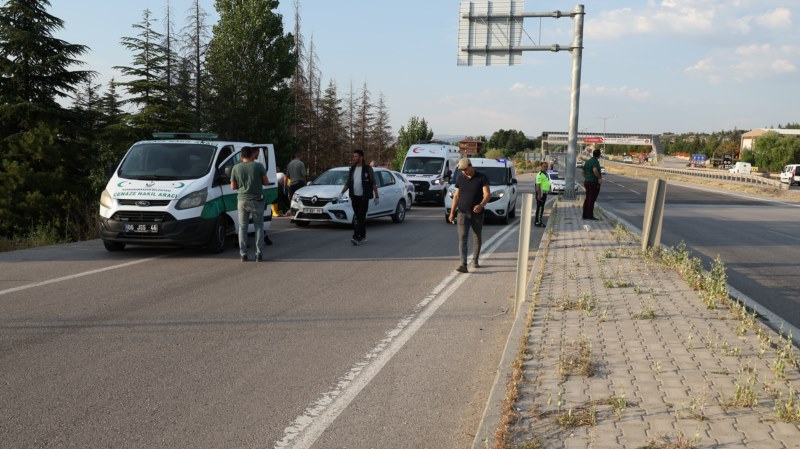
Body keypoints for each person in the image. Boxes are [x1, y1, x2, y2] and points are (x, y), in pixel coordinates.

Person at [447, 158, 490, 273]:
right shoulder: (460, 178)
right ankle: (463, 264)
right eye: (461, 170)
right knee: (462, 238)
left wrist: (481, 205)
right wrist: (452, 212)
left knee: (477, 236)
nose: (464, 172)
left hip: (477, 214)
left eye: (465, 169)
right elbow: (456, 196)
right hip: (462, 213)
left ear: (470, 166)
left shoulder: (482, 177)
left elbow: (487, 195)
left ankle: (475, 260)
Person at [230, 146, 269, 262]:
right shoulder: (258, 166)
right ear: (252, 155)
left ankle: (243, 254)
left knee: (242, 227)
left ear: (241, 156)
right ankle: (259, 254)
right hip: (256, 200)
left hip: (242, 200)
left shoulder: (235, 168)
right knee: (258, 227)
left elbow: (233, 186)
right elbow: (266, 182)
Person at [340, 149, 379, 246]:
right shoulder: (352, 169)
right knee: (359, 217)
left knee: (360, 217)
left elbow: (373, 182)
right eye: (353, 156)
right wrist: (341, 193)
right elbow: (348, 182)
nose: (354, 158)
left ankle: (356, 237)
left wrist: (376, 196)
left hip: (364, 197)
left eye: (356, 156)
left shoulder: (368, 169)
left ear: (361, 157)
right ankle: (363, 235)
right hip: (354, 197)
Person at [583, 148, 603, 220]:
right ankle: (590, 216)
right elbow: (595, 170)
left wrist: (587, 177)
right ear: (599, 155)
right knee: (592, 199)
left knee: (587, 198)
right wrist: (599, 177)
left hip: (587, 182)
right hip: (593, 183)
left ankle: (584, 215)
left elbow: (583, 172)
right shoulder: (595, 162)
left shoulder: (588, 161)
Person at [535, 162, 551, 227]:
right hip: (540, 193)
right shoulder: (540, 174)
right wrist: (539, 195)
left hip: (544, 193)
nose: (545, 168)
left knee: (541, 208)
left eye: (546, 166)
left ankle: (538, 221)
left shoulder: (545, 174)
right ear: (541, 167)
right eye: (544, 166)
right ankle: (538, 222)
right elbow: (538, 185)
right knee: (540, 208)